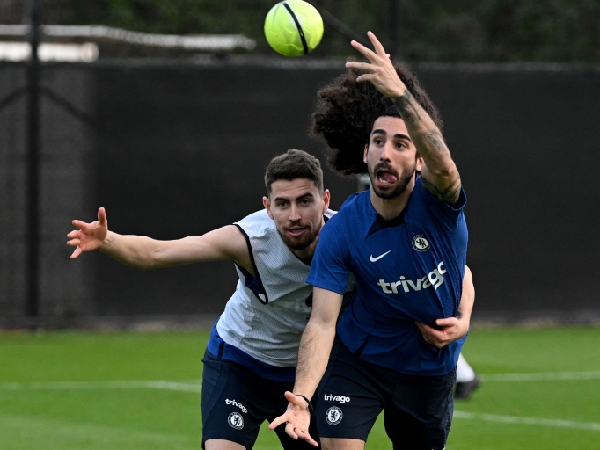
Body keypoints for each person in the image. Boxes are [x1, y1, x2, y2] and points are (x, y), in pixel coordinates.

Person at [270, 32, 471, 450]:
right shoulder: (343, 229)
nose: (386, 153)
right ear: (365, 154)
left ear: (419, 161)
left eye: (401, 145)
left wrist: (399, 93)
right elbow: (323, 322)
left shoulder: (439, 208)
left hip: (427, 370)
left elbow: (462, 268)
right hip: (359, 362)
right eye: (379, 142)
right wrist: (303, 397)